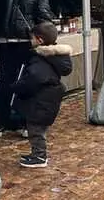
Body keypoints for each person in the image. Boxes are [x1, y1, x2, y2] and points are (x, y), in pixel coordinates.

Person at [0, 0, 54, 138]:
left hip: (26, 44)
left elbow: (45, 19)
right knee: (4, 83)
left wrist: (39, 38)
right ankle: (1, 122)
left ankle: (25, 122)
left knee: (26, 84)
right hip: (5, 43)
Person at [10, 22, 72, 168]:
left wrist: (16, 87)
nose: (30, 41)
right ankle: (37, 153)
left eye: (32, 38)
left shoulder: (40, 59)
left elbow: (34, 78)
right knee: (38, 129)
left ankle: (39, 156)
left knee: (35, 130)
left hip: (40, 101)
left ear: (39, 40)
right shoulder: (56, 58)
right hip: (47, 99)